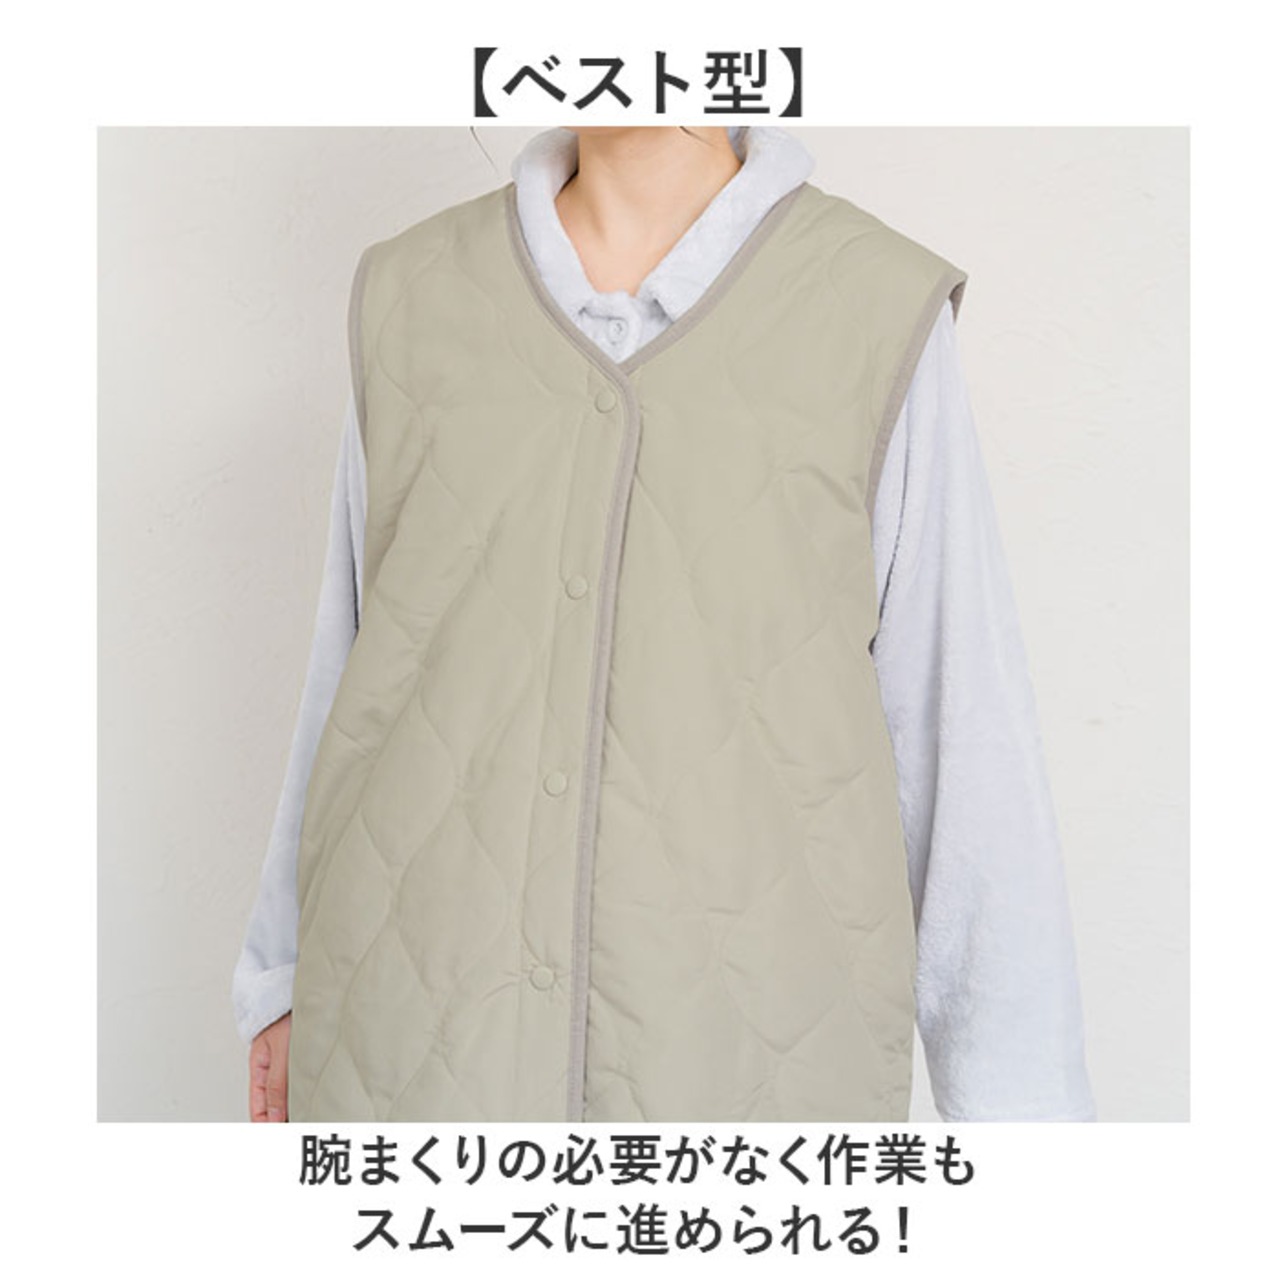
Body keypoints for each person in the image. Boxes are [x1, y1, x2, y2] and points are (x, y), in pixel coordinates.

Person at [232, 124, 1097, 1124]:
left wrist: (1024, 1127)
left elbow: (962, 742)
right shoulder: (411, 294)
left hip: (746, 1066)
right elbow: (353, 670)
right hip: (415, 1053)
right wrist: (281, 973)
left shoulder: (875, 308)